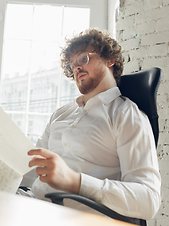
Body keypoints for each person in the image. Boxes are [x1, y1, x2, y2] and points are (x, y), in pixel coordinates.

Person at [20, 28, 161, 220]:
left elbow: (148, 201)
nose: (76, 68)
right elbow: (30, 171)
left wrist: (75, 181)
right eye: (72, 65)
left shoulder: (127, 116)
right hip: (30, 206)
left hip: (72, 218)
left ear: (110, 59)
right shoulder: (61, 114)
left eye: (83, 59)